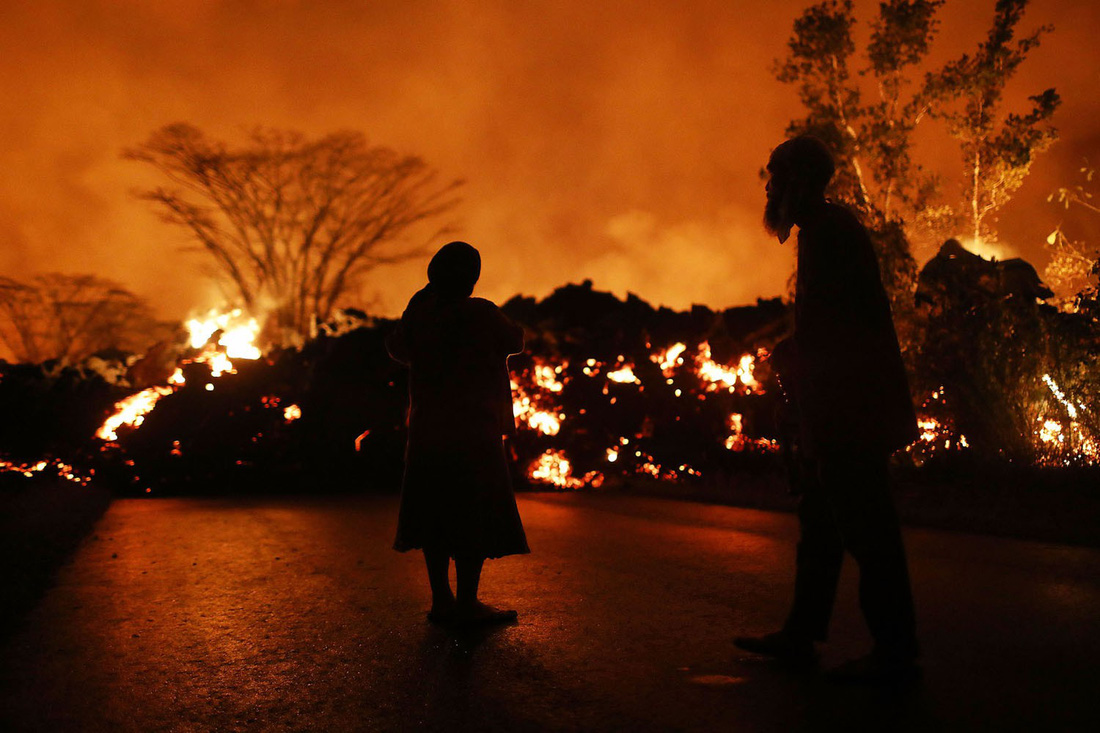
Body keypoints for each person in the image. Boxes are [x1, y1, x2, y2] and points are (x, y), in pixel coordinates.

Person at [734, 136, 920, 683]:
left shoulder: (830, 233)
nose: (768, 187)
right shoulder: (824, 231)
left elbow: (837, 328)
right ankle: (800, 634)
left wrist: (796, 357)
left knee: (868, 532)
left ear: (795, 181)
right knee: (820, 525)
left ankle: (896, 653)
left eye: (774, 176)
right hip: (839, 409)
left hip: (849, 414)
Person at [387, 241, 529, 627]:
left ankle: (442, 601)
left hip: (429, 431)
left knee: (434, 514)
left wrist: (418, 303)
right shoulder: (481, 313)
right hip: (474, 431)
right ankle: (467, 603)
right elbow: (515, 340)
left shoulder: (422, 317)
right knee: (472, 513)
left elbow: (398, 347)